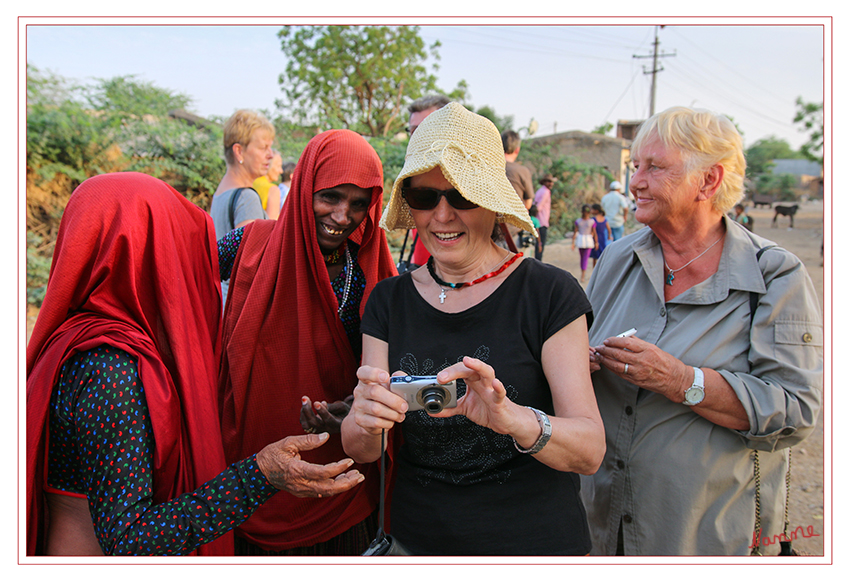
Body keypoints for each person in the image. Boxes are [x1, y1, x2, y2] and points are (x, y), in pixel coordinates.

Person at [26, 172, 365, 556]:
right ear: (146, 254)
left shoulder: (80, 338)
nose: (189, 276)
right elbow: (131, 541)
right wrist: (259, 475)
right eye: (182, 255)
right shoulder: (110, 366)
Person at [341, 103, 606, 556]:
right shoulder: (389, 300)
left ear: (492, 202)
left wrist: (513, 420)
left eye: (461, 196)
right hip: (417, 544)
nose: (441, 216)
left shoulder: (547, 292)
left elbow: (588, 449)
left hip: (535, 547)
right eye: (425, 198)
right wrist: (365, 419)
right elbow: (363, 449)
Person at [583, 106, 823, 555]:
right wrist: (580, 362)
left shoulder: (774, 275)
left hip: (706, 537)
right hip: (601, 524)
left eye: (654, 167)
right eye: (637, 166)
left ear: (709, 181)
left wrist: (682, 381)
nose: (636, 181)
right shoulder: (616, 258)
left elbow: (796, 410)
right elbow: (580, 357)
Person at [218, 129, 397, 555]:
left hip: (340, 475)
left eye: (358, 204)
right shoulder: (249, 246)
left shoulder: (368, 266)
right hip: (252, 472)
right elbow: (180, 283)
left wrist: (355, 409)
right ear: (303, 188)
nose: (342, 215)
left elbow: (390, 366)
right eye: (330, 197)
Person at [210, 109, 274, 305]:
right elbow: (250, 266)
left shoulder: (221, 192)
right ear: (239, 151)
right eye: (263, 148)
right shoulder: (246, 197)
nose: (270, 155)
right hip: (240, 306)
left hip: (221, 301)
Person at [406, 95, 450, 269]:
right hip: (421, 270)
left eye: (426, 129)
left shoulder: (470, 180)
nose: (418, 138)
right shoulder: (410, 175)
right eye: (413, 131)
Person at [571, 204, 598, 283]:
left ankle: (583, 274)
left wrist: (596, 242)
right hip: (585, 239)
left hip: (584, 239)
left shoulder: (581, 221)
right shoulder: (591, 221)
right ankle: (583, 273)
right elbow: (594, 233)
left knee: (584, 257)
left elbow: (594, 232)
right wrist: (596, 242)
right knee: (583, 257)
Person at [253, 150, 284, 219]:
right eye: (278, 166)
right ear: (268, 165)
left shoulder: (250, 183)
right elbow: (271, 225)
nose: (281, 171)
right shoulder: (273, 190)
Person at [532, 174, 555, 260]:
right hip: (542, 221)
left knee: (537, 244)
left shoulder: (539, 191)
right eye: (549, 181)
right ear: (544, 182)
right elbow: (539, 207)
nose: (551, 183)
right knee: (540, 245)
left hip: (537, 221)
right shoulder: (546, 192)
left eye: (551, 182)